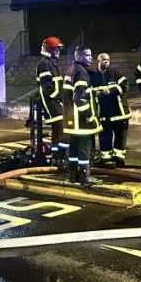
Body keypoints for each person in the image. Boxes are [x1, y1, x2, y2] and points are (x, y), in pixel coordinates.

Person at [63, 46, 102, 186]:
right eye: (87, 55)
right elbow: (79, 97)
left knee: (73, 146)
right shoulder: (81, 72)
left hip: (71, 118)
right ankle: (85, 177)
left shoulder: (71, 68)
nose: (91, 57)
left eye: (91, 55)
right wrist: (89, 115)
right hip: (81, 120)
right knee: (85, 147)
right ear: (78, 56)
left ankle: (73, 175)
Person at [90, 53, 131, 168]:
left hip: (120, 114)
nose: (106, 61)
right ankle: (106, 159)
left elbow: (125, 85)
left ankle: (119, 159)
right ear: (98, 61)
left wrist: (109, 91)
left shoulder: (116, 73)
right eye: (104, 60)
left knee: (120, 137)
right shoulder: (94, 77)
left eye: (108, 60)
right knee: (105, 138)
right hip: (104, 114)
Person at [36, 36, 67, 168]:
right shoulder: (44, 64)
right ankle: (56, 156)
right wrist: (59, 96)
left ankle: (59, 154)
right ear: (49, 49)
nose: (58, 51)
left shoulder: (52, 63)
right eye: (56, 49)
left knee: (60, 127)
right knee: (59, 126)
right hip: (49, 101)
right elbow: (47, 87)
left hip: (56, 101)